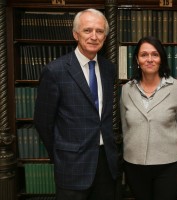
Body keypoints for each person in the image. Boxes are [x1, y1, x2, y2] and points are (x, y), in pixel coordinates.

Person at [34, 8, 120, 200]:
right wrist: (61, 154)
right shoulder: (55, 71)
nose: (94, 36)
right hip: (72, 166)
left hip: (106, 164)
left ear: (105, 37)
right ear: (75, 34)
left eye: (99, 31)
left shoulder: (109, 69)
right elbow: (43, 122)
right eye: (87, 30)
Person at [120, 36, 177, 200]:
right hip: (134, 164)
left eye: (155, 54)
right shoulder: (126, 89)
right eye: (144, 55)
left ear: (161, 58)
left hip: (170, 164)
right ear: (137, 59)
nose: (149, 59)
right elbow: (124, 127)